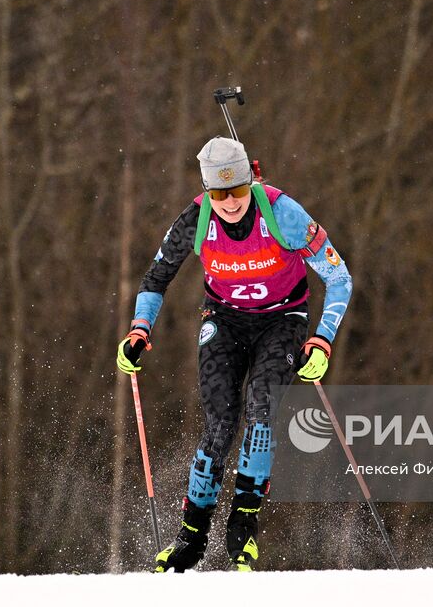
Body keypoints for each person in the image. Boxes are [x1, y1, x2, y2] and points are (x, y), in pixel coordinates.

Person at [115, 136, 353, 572]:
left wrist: (321, 339)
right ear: (206, 191)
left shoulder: (284, 213)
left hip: (283, 319)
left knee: (261, 411)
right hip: (224, 321)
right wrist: (139, 329)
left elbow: (339, 279)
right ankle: (190, 537)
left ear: (251, 180)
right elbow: (155, 279)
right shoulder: (195, 219)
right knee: (221, 423)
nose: (228, 203)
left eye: (237, 191)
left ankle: (243, 527)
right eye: (218, 193)